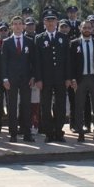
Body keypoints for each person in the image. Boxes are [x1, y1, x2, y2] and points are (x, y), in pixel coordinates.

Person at [33, 9, 71, 143]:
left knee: (60, 105)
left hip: (60, 78)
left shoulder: (64, 38)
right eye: (48, 20)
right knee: (45, 105)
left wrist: (68, 77)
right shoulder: (39, 38)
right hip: (45, 79)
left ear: (57, 22)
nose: (50, 23)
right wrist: (38, 79)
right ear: (44, 22)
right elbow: (36, 61)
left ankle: (59, 131)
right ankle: (49, 132)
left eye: (52, 20)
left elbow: (67, 59)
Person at [70, 20, 94, 141]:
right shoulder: (74, 43)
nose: (86, 29)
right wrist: (73, 79)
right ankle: (80, 133)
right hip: (81, 79)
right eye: (84, 27)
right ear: (80, 28)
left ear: (92, 29)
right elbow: (72, 64)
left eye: (89, 27)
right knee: (79, 107)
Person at [1, 16, 35, 143]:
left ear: (24, 26)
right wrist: (5, 79)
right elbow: (3, 62)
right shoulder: (7, 42)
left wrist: (33, 76)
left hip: (26, 79)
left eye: (20, 24)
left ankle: (27, 133)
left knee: (26, 106)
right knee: (12, 107)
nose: (17, 26)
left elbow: (33, 61)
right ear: (11, 26)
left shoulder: (29, 41)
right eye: (15, 24)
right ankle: (13, 133)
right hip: (11, 79)